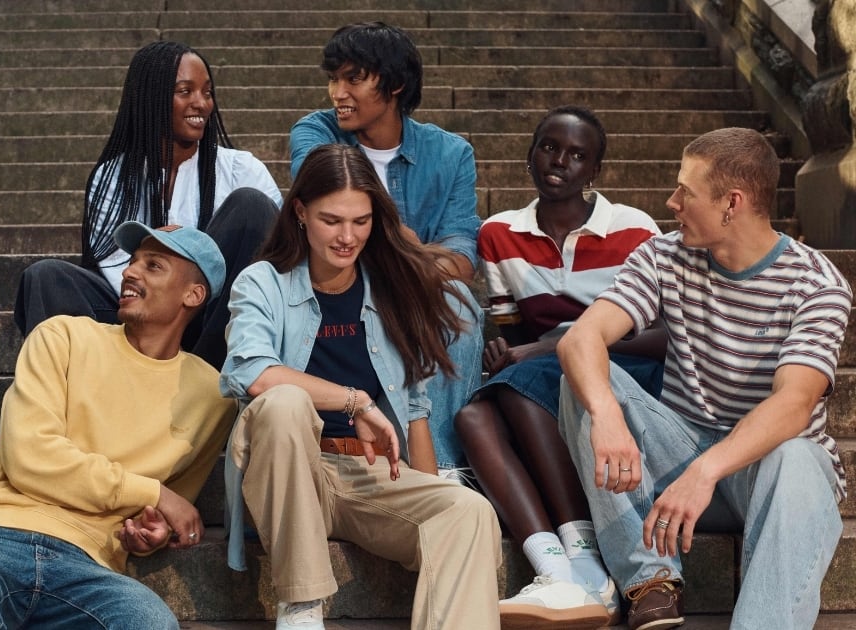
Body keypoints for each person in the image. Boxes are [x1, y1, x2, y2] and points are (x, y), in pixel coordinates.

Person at [555, 127, 851, 630]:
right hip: (680, 452)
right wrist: (606, 414)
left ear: (731, 203)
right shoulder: (663, 256)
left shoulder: (817, 283)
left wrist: (706, 472)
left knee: (800, 455)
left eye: (685, 192)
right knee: (582, 381)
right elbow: (579, 340)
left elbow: (794, 405)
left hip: (769, 477)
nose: (671, 203)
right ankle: (651, 582)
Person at [221, 144, 501, 630]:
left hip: (364, 472)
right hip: (286, 474)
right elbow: (252, 374)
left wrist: (427, 491)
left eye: (361, 221)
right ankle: (302, 609)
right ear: (301, 212)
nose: (348, 237)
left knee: (467, 510)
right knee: (283, 402)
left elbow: (416, 410)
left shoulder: (390, 288)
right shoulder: (262, 282)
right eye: (332, 221)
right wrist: (356, 401)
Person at [0, 222, 236, 629]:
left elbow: (170, 508)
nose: (130, 272)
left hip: (89, 564)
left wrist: (150, 536)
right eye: (131, 262)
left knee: (151, 622)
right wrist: (150, 492)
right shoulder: (61, 336)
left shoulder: (212, 397)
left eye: (153, 265)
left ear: (193, 294)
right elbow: (31, 456)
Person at [452, 106, 666, 628]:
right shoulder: (500, 234)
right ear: (530, 155)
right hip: (540, 374)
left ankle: (590, 561)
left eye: (577, 155)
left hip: (625, 372)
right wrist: (507, 351)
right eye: (549, 147)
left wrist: (545, 350)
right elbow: (513, 330)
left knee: (519, 388)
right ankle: (557, 569)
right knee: (469, 418)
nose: (560, 162)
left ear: (595, 170)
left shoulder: (634, 229)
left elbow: (665, 337)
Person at [289, 22, 484, 477]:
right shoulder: (315, 133)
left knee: (461, 305)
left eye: (353, 78)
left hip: (414, 292)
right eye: (334, 78)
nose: (338, 91)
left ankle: (444, 470)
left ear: (394, 84)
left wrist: (400, 248)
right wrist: (413, 245)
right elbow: (330, 214)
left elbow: (461, 258)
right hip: (334, 285)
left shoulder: (451, 153)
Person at [14, 40, 281, 369]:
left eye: (207, 92)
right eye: (185, 91)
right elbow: (114, 269)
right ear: (151, 99)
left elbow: (278, 260)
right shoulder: (115, 176)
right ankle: (67, 401)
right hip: (134, 319)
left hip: (211, 325)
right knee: (45, 276)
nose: (202, 103)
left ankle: (203, 387)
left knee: (252, 206)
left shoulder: (242, 170)